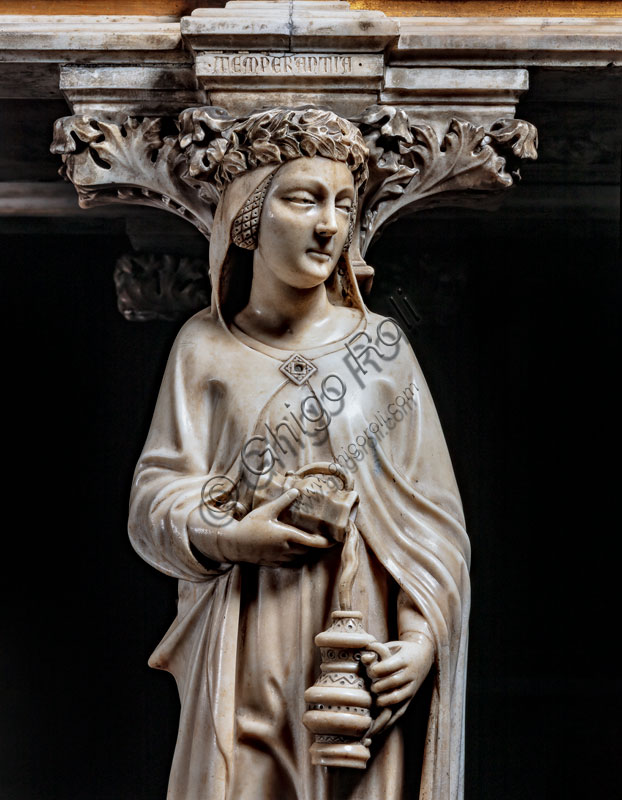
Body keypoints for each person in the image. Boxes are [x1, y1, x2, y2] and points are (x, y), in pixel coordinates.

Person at [128, 107, 470, 800]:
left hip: (356, 650)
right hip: (244, 637)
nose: (329, 225)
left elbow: (432, 520)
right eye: (304, 198)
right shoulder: (204, 348)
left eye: (343, 205)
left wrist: (418, 638)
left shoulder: (382, 351)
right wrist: (227, 535)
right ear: (249, 218)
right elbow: (154, 497)